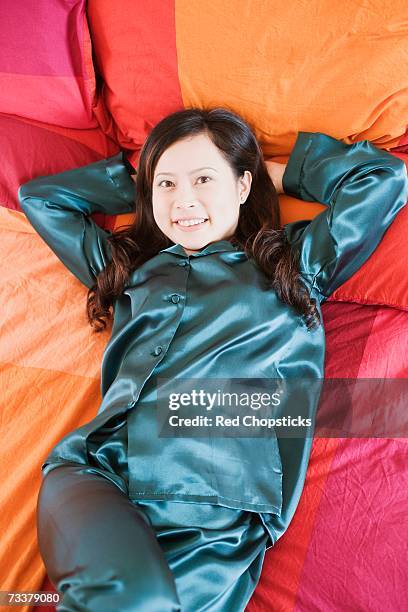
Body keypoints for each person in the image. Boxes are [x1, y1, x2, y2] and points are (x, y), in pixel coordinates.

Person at [18, 107, 408, 612]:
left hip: (219, 514)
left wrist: (271, 174)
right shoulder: (128, 270)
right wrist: (144, 183)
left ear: (242, 186)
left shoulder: (293, 264)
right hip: (99, 474)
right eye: (167, 185)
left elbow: (381, 177)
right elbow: (42, 199)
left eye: (204, 178)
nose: (184, 202)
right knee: (134, 600)